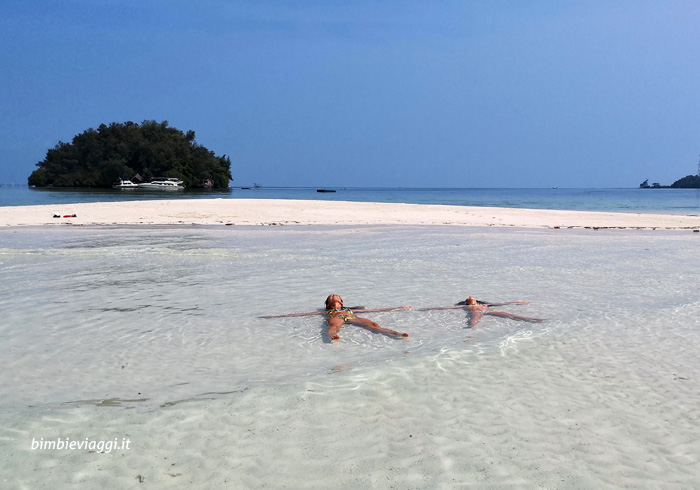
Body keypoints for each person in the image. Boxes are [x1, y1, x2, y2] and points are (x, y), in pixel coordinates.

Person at [260, 294, 410, 340]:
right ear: (328, 303)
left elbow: (375, 310)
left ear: (341, 301)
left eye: (336, 296)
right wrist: (275, 317)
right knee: (334, 326)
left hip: (350, 316)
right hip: (336, 318)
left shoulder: (349, 309)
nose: (334, 295)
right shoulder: (326, 312)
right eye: (332, 297)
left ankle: (397, 334)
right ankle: (334, 337)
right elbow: (301, 314)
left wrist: (399, 307)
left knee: (374, 325)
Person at [420, 295, 543, 328]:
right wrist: (428, 309)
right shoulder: (466, 307)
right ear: (467, 302)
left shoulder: (484, 304)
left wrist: (519, 302)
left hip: (488, 311)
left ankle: (533, 320)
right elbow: (446, 308)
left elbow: (503, 304)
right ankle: (471, 336)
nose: (470, 296)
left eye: (471, 297)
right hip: (477, 312)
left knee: (509, 315)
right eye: (468, 298)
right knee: (472, 322)